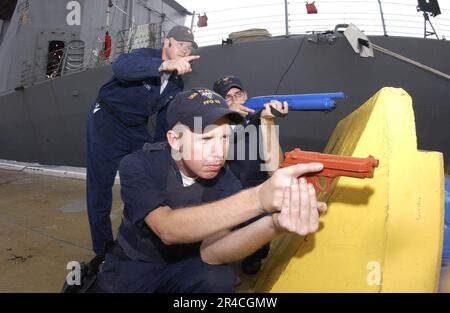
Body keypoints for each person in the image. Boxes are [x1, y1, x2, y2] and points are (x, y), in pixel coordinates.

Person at [95, 88, 326, 293]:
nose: (218, 152)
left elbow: (212, 253)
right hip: (135, 267)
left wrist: (275, 224)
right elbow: (167, 229)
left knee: (219, 279)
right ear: (175, 141)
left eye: (225, 137)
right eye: (206, 139)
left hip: (185, 264)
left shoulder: (225, 181)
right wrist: (259, 198)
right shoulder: (139, 164)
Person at [86, 25, 200, 255]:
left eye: (187, 48)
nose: (183, 52)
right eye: (179, 45)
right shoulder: (144, 56)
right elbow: (121, 68)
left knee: (147, 176)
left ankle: (136, 237)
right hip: (107, 121)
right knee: (100, 185)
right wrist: (163, 65)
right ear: (166, 43)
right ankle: (103, 249)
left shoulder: (177, 83)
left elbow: (162, 119)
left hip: (136, 127)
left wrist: (160, 150)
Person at [213, 75, 288, 274]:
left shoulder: (259, 121)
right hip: (222, 192)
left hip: (256, 190)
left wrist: (268, 123)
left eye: (238, 94)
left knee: (260, 236)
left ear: (246, 95)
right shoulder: (213, 127)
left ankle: (254, 255)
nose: (235, 100)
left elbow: (275, 169)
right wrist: (226, 119)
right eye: (227, 98)